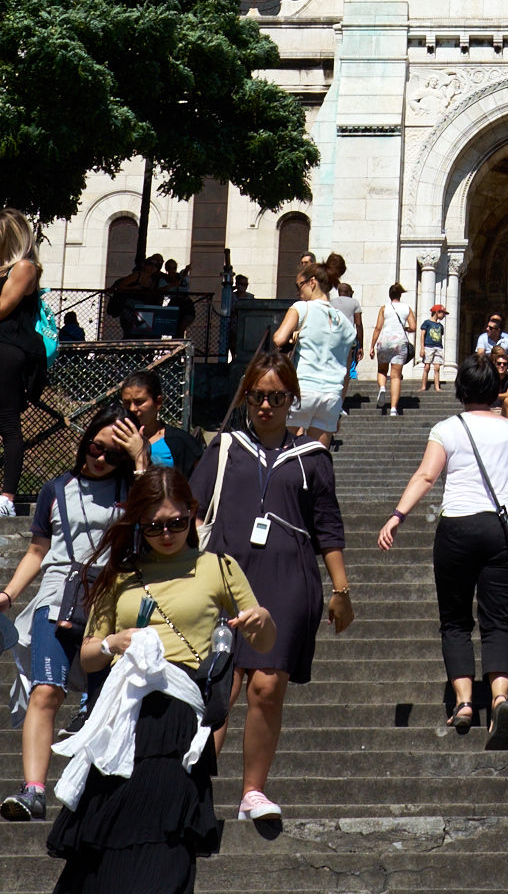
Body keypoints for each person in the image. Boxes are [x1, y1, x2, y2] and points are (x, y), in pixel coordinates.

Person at [47, 465, 276, 888]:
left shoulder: (218, 567)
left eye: (177, 522)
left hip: (176, 716)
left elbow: (262, 642)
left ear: (193, 514)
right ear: (137, 523)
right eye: (153, 526)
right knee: (105, 841)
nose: (167, 534)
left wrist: (260, 619)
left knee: (166, 837)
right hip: (122, 717)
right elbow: (88, 656)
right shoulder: (120, 574)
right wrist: (114, 643)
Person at [188, 355, 350, 826]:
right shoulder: (225, 447)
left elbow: (329, 528)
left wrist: (341, 589)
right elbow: (192, 508)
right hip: (224, 575)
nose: (265, 405)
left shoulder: (314, 458)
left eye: (276, 397)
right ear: (246, 397)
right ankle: (190, 791)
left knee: (267, 684)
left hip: (287, 577)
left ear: (291, 401)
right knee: (220, 683)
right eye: (257, 395)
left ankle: (253, 792)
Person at [379, 350, 508, 748]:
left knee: (454, 620)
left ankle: (465, 703)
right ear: (497, 388)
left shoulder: (447, 428)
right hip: (502, 530)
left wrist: (398, 515)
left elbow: (427, 475)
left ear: (460, 388)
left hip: (457, 528)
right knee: (499, 621)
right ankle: (500, 697)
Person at [0, 400, 142, 823]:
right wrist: (8, 594)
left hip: (111, 606)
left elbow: (160, 514)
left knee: (107, 700)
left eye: (113, 454)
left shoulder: (133, 489)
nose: (99, 459)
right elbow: (38, 550)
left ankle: (99, 796)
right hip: (55, 600)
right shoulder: (55, 489)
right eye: (95, 448)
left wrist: (139, 460)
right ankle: (34, 789)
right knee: (46, 689)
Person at [271, 262, 356, 448]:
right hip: (331, 395)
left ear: (312, 283)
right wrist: (340, 400)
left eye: (299, 286)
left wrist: (293, 338)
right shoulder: (345, 324)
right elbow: (348, 368)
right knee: (318, 457)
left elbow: (278, 338)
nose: (298, 292)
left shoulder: (302, 308)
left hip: (302, 388)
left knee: (282, 451)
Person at [0, 209, 47, 520]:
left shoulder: (24, 268)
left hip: (7, 351)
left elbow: (2, 308)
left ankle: (6, 496)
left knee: (8, 426)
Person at [118, 372, 204, 481]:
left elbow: (200, 483)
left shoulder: (179, 441)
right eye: (126, 403)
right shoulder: (116, 439)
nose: (132, 409)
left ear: (158, 402)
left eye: (139, 402)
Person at [369, 283, 414, 420]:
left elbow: (378, 328)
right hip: (399, 343)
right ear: (400, 295)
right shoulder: (407, 308)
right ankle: (393, 409)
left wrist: (372, 346)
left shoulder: (384, 308)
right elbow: (413, 327)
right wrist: (404, 329)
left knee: (382, 370)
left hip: (384, 341)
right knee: (395, 376)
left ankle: (382, 387)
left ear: (389, 295)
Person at [323, 256, 362, 399]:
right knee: (346, 368)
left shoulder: (331, 302)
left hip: (333, 338)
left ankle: (332, 394)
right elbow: (358, 324)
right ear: (350, 292)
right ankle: (341, 397)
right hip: (349, 339)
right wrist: (361, 344)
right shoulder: (354, 302)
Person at [420, 303, 447, 392]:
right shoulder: (427, 323)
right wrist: (422, 348)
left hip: (438, 347)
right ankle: (423, 386)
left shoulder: (440, 326)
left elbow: (440, 335)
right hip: (428, 346)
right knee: (427, 366)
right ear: (437, 312)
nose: (444, 315)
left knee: (437, 367)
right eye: (443, 313)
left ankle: (437, 387)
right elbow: (422, 334)